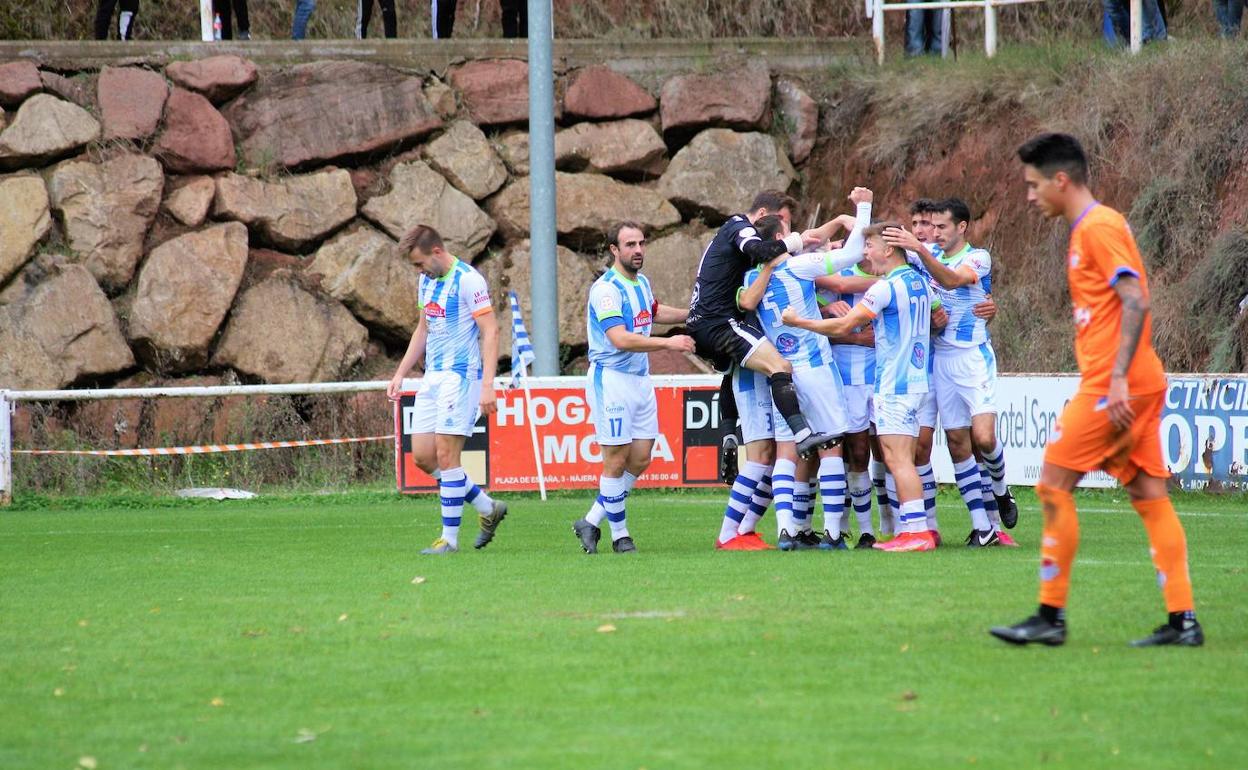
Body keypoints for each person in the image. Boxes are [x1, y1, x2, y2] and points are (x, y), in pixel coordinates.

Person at [991, 132, 1202, 647]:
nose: (1029, 196)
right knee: (1150, 496)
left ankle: (1050, 615)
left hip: (1116, 384)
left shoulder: (1098, 227)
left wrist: (1115, 379)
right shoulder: (1091, 227)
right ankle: (1183, 622)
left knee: (1051, 484)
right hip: (1135, 379)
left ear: (1061, 180)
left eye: (1034, 185)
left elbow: (1135, 301)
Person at [783, 222, 940, 553]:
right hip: (916, 380)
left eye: (869, 245)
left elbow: (845, 324)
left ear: (888, 249)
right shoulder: (921, 282)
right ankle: (911, 529)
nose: (865, 252)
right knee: (901, 459)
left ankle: (917, 532)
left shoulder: (885, 287)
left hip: (894, 383)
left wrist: (800, 323)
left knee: (898, 461)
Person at [741, 191, 872, 551]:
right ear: (780, 240)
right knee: (830, 448)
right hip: (815, 366)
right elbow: (854, 255)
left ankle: (786, 529)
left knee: (788, 450)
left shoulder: (749, 280)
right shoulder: (799, 266)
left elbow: (744, 304)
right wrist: (862, 209)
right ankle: (832, 532)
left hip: (781, 374)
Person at [886, 198, 1020, 548]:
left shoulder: (977, 257)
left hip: (973, 357)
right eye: (933, 227)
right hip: (940, 361)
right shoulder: (927, 253)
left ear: (961, 227)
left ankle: (1003, 491)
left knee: (985, 438)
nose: (935, 233)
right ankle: (982, 528)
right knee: (958, 443)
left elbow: (952, 280)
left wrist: (920, 249)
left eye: (943, 227)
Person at [687, 190, 840, 461]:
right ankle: (803, 434)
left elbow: (807, 238)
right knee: (779, 366)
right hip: (720, 324)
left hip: (707, 324)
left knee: (734, 366)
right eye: (780, 219)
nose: (782, 228)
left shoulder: (735, 240)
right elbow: (761, 249)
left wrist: (838, 223)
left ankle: (729, 433)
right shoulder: (740, 227)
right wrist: (793, 241)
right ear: (761, 215)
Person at [386, 225, 508, 555]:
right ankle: (487, 507)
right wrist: (401, 373)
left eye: (419, 263)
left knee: (446, 456)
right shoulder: (426, 281)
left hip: (462, 377)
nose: (418, 270)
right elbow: (423, 329)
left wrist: (488, 386)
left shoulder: (468, 280)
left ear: (437, 252)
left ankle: (448, 540)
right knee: (424, 456)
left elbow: (491, 331)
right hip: (433, 378)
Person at [573, 223, 694, 554]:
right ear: (615, 250)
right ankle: (620, 536)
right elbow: (621, 339)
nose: (638, 249)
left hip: (640, 380)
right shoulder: (606, 290)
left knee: (640, 457)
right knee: (615, 459)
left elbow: (654, 312)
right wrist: (669, 344)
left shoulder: (641, 283)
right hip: (611, 380)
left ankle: (590, 520)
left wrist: (692, 315)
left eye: (641, 243)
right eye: (630, 244)